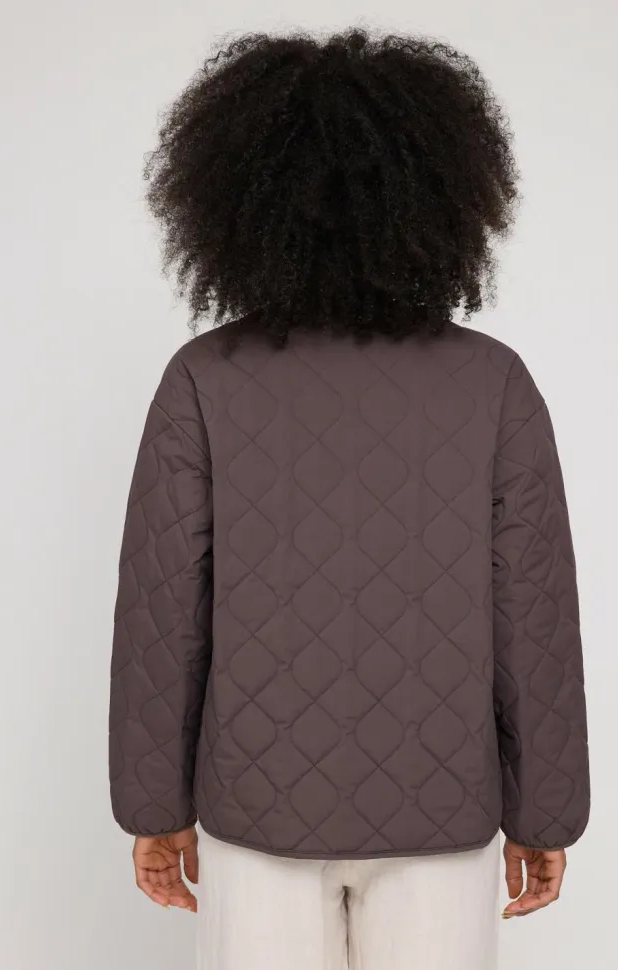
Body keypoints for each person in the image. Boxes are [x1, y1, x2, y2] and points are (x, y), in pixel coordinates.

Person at [108, 28, 590, 970]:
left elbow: (164, 613)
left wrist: (154, 808)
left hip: (256, 815)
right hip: (444, 815)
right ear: (444, 195)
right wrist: (545, 813)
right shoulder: (494, 383)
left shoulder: (204, 378)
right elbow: (532, 614)